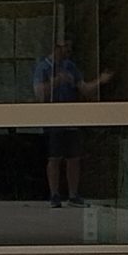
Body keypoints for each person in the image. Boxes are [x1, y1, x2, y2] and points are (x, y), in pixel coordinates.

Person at [33, 36, 109, 206]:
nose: (68, 51)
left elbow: (84, 89)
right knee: (54, 157)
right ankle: (54, 195)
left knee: (73, 158)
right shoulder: (43, 68)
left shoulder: (70, 67)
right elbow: (39, 94)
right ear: (56, 47)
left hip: (71, 118)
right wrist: (56, 81)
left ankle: (73, 194)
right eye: (66, 47)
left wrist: (100, 81)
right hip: (52, 119)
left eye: (70, 48)